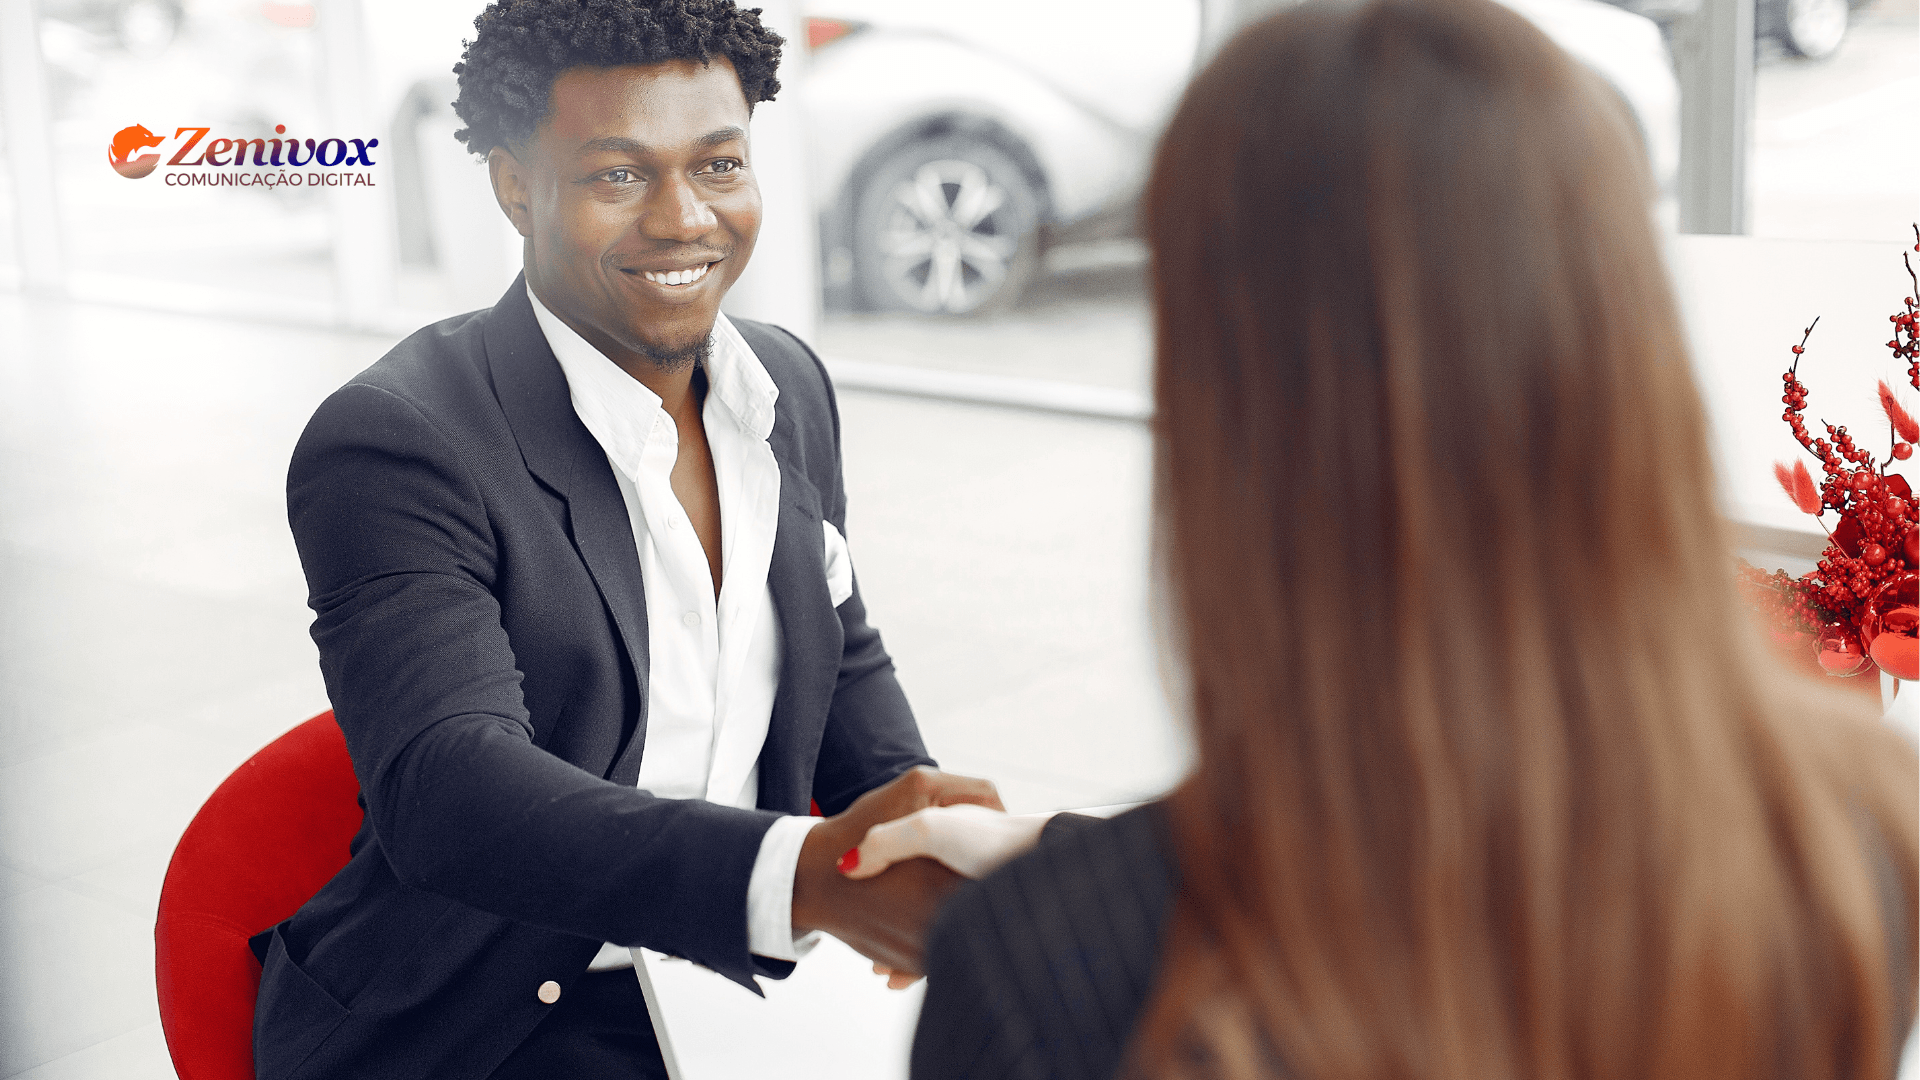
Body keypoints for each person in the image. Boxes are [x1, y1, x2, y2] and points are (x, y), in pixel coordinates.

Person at [850, 0, 1920, 1077]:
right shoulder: (1854, 829)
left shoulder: (1049, 980)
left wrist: (1081, 883)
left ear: (1227, 420)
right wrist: (1067, 852)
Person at [251, 2, 999, 1077]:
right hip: (495, 1012)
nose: (684, 218)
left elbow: (839, 644)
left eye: (720, 164)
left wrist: (918, 828)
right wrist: (800, 874)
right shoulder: (397, 440)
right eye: (618, 176)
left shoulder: (784, 381)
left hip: (741, 984)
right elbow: (451, 789)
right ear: (517, 187)